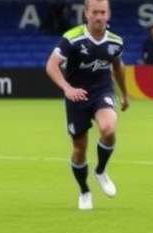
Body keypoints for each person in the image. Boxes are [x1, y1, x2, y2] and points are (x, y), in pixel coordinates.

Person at [45, 0, 129, 210]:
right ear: (86, 14)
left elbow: (118, 68)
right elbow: (51, 65)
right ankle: (84, 190)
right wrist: (67, 88)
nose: (99, 16)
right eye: (95, 12)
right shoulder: (72, 38)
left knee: (108, 128)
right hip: (77, 97)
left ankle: (100, 171)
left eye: (103, 12)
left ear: (108, 14)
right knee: (79, 148)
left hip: (102, 91)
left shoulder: (116, 41)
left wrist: (125, 94)